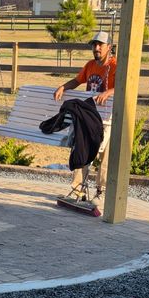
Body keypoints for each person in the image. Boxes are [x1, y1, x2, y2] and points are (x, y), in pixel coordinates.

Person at [53, 31, 117, 194]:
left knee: (107, 153)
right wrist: (63, 87)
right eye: (94, 45)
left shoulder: (116, 66)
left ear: (109, 47)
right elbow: (77, 80)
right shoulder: (90, 65)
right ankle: (77, 188)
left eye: (100, 45)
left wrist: (108, 92)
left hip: (108, 117)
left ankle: (101, 190)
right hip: (89, 116)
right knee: (82, 146)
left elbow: (124, 87)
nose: (96, 48)